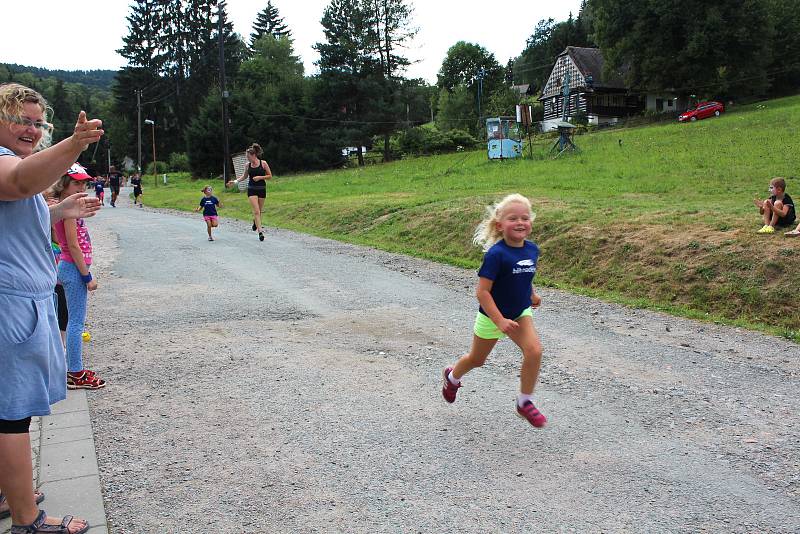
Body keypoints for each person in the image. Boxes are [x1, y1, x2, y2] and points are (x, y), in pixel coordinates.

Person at [0, 82, 102, 534]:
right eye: (20, 118)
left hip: (19, 301)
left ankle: (9, 492)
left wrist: (60, 209)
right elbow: (21, 183)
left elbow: (22, 205)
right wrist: (75, 144)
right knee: (11, 414)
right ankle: (27, 519)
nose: (31, 128)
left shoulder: (15, 163)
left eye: (38, 122)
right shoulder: (7, 164)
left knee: (8, 410)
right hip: (11, 306)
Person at [441, 194, 547, 428]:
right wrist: (499, 321)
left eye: (525, 218)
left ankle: (524, 401)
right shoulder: (496, 255)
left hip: (520, 313)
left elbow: (523, 274)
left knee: (535, 350)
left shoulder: (532, 250)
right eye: (513, 218)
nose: (520, 222)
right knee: (477, 360)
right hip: (492, 316)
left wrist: (532, 294)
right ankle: (452, 377)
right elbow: (482, 292)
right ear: (500, 225)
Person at [52, 165, 106, 391]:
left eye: (84, 183)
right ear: (64, 183)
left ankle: (72, 369)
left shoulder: (64, 207)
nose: (82, 187)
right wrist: (87, 276)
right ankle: (74, 373)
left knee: (73, 320)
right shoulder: (67, 211)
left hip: (71, 267)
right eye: (76, 183)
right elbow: (72, 245)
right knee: (75, 322)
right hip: (73, 269)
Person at [227, 143, 271, 242]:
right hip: (251, 189)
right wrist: (234, 182)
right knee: (256, 211)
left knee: (259, 211)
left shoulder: (263, 163)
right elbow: (244, 176)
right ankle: (260, 233)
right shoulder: (247, 165)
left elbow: (270, 176)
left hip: (262, 189)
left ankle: (255, 223)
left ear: (253, 155)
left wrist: (260, 177)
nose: (247, 158)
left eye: (248, 156)